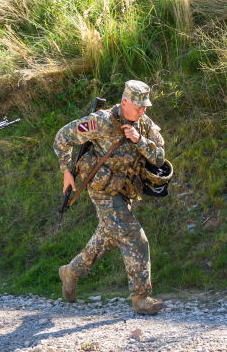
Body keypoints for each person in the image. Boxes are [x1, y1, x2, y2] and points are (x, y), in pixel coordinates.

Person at [53, 80, 165, 315]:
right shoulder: (101, 121)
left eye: (145, 106)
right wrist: (66, 171)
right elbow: (63, 137)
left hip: (125, 192)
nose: (142, 111)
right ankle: (141, 298)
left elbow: (159, 156)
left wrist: (139, 140)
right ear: (124, 102)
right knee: (134, 236)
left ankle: (70, 272)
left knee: (108, 238)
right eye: (138, 106)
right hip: (103, 191)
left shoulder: (144, 124)